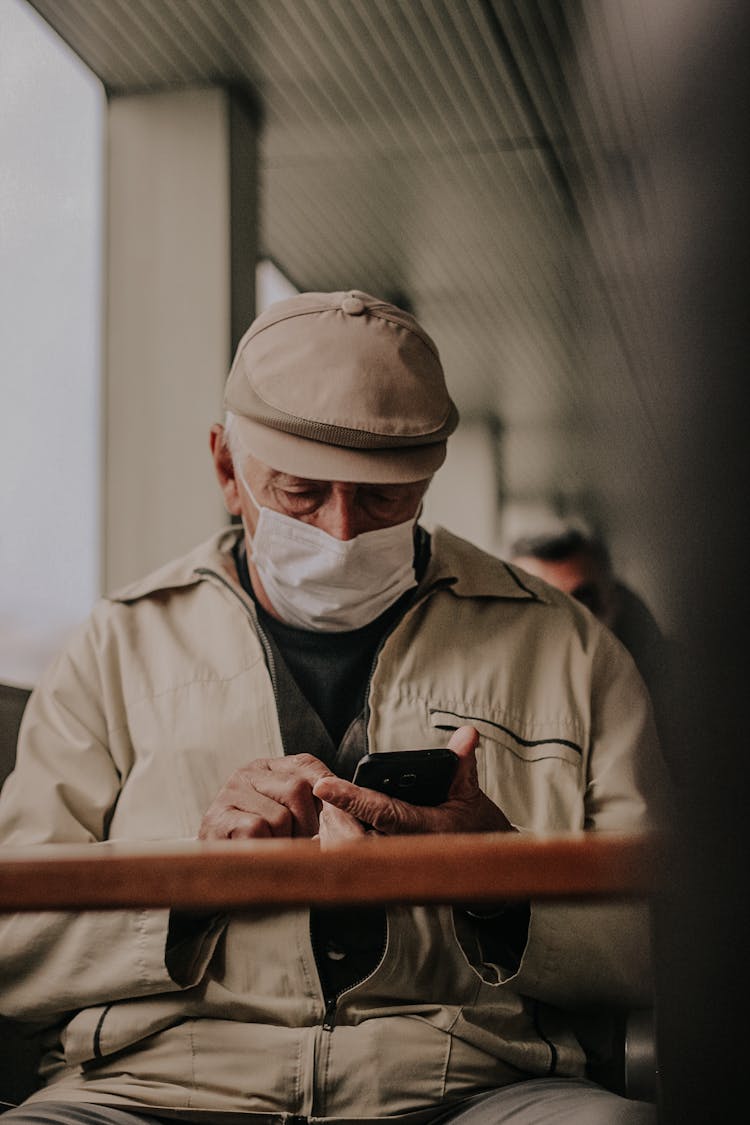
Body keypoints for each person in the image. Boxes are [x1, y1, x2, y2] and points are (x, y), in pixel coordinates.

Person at [0, 290, 667, 1125]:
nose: (343, 532)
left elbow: (668, 939)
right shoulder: (116, 650)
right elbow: (12, 946)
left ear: (429, 478)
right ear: (225, 469)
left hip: (470, 1086)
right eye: (301, 494)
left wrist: (498, 880)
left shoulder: (566, 650)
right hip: (154, 1089)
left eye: (384, 498)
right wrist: (190, 889)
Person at [509, 527, 675, 779]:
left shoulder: (682, 694)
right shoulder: (493, 693)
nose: (567, 626)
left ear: (613, 601)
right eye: (540, 604)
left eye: (582, 603)